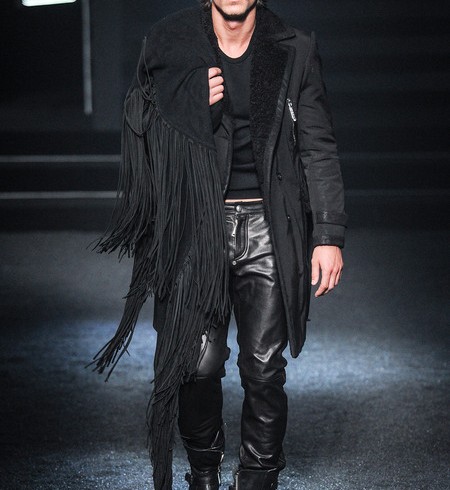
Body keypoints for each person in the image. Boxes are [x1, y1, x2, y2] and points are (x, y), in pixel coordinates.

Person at [90, 1, 346, 489]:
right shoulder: (170, 42)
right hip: (196, 223)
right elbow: (137, 123)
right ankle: (204, 473)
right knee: (196, 363)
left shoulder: (294, 48)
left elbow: (318, 146)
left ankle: (258, 476)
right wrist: (187, 104)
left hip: (269, 222)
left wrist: (328, 235)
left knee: (264, 367)